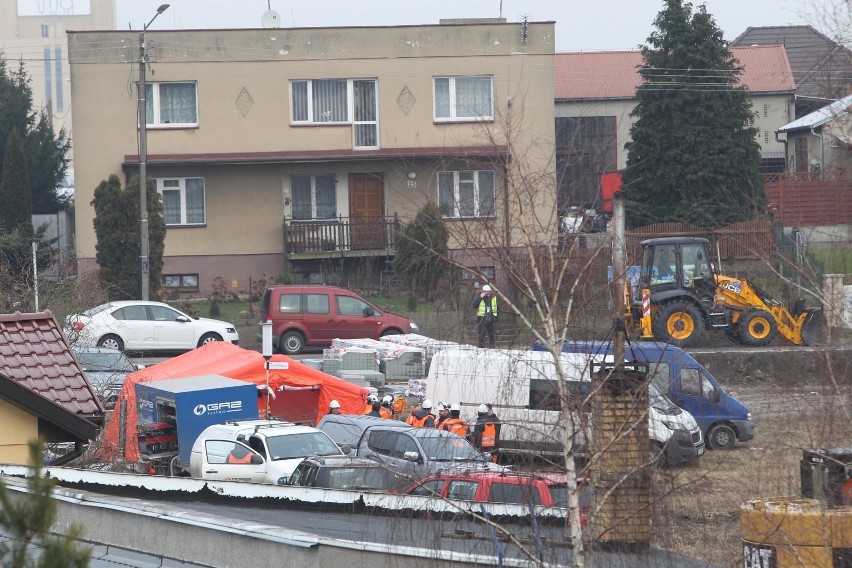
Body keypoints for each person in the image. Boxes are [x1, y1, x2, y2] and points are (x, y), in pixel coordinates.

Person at [472, 284, 498, 348]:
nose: (488, 293)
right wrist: (480, 297)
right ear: (483, 292)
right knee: (481, 336)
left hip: (491, 319)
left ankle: (492, 349)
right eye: (486, 292)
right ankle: (481, 349)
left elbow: (497, 308)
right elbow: (474, 305)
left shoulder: (494, 298)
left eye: (489, 291)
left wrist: (495, 318)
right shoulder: (479, 297)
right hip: (481, 319)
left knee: (492, 336)